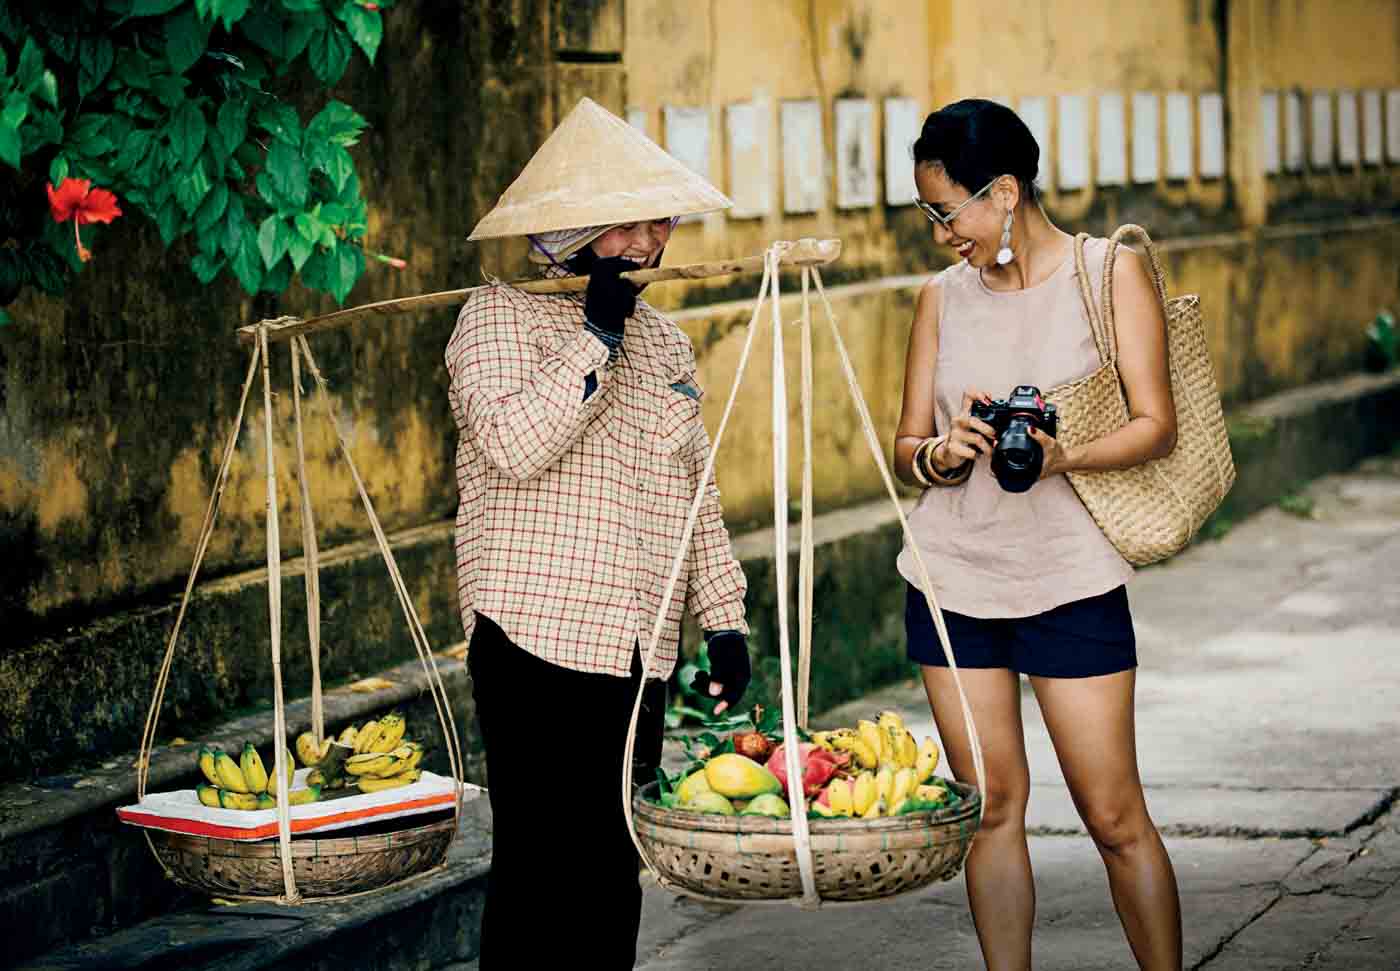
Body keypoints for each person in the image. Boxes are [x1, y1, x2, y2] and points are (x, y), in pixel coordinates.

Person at [446, 98, 752, 969]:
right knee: (541, 878)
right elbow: (511, 445)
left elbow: (696, 492)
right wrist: (594, 337)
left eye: (666, 222)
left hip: (635, 647)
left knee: (614, 879)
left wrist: (723, 619)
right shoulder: (494, 318)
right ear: (585, 226)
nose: (660, 240)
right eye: (643, 221)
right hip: (534, 638)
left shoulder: (667, 343)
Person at [894, 99, 1183, 971]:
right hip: (953, 577)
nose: (942, 234)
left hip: (1071, 577)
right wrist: (943, 453)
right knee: (990, 807)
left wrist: (1064, 456)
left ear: (1006, 191)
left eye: (948, 212)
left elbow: (1157, 423)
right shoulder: (939, 299)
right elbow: (905, 443)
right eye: (929, 214)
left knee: (1114, 815)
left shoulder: (1108, 272)